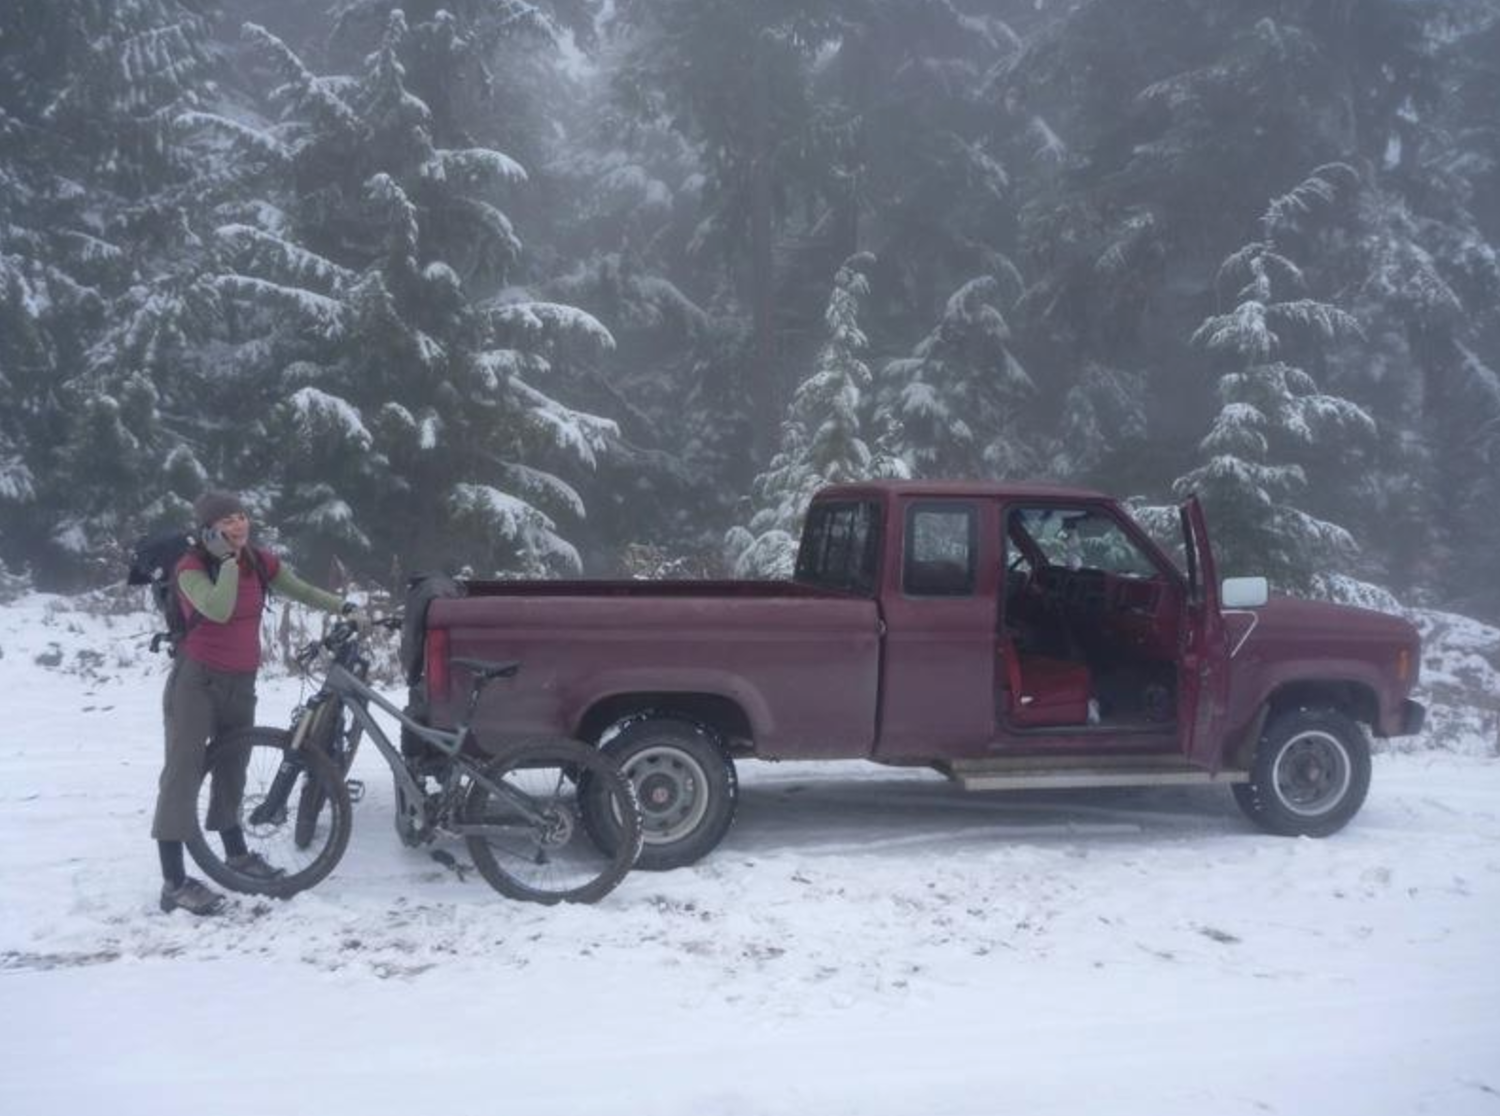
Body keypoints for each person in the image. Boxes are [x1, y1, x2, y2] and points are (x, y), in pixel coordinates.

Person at [154, 490, 365, 915]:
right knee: (183, 770)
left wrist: (342, 606)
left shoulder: (259, 560)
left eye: (242, 516)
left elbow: (299, 589)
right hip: (197, 681)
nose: (238, 525)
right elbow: (216, 608)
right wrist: (227, 563)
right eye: (227, 520)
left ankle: (236, 854)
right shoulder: (190, 567)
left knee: (233, 767)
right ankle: (174, 882)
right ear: (208, 529)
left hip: (241, 679)